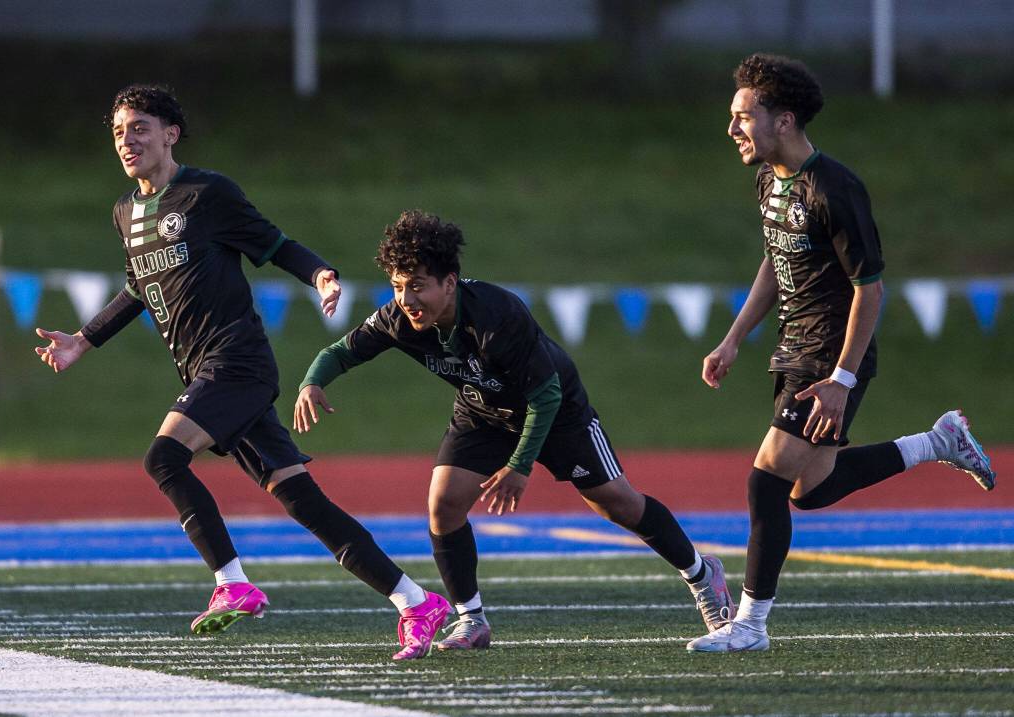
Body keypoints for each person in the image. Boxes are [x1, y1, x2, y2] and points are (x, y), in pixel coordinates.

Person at [33, 85, 450, 661]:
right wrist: (83, 340)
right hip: (204, 369)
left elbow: (274, 243)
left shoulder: (207, 194)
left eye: (139, 128)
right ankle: (415, 602)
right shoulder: (124, 212)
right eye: (119, 133)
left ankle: (232, 583)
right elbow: (137, 288)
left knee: (163, 458)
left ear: (170, 133)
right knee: (303, 501)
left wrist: (321, 275)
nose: (127, 141)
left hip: (238, 362)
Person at [294, 209, 735, 650]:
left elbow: (545, 397)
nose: (406, 298)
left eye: (417, 285)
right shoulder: (398, 318)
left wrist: (519, 467)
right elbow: (340, 351)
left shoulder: (497, 315)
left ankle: (701, 573)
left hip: (556, 409)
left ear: (449, 282)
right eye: (398, 285)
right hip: (483, 411)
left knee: (616, 503)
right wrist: (313, 381)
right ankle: (472, 620)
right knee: (444, 504)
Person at [686, 54, 996, 653]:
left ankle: (749, 627)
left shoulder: (836, 188)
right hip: (791, 349)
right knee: (812, 491)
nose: (732, 129)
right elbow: (777, 263)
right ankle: (938, 442)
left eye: (744, 116)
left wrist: (842, 378)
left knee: (765, 484)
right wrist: (732, 338)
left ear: (784, 120)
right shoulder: (768, 179)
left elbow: (870, 289)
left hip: (829, 353)